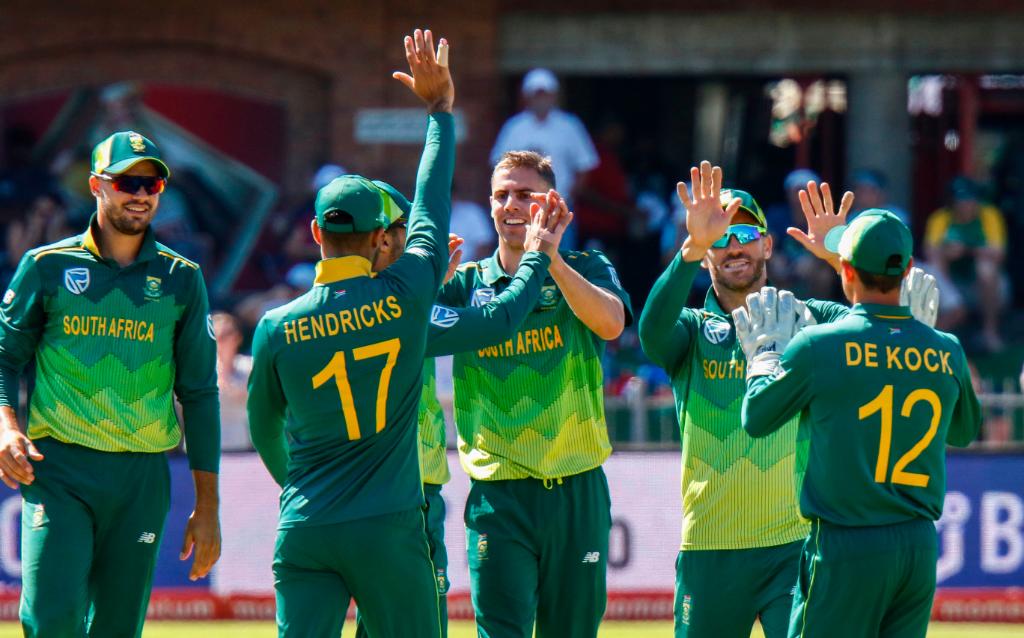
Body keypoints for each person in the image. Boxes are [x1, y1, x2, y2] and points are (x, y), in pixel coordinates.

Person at [246, 29, 454, 638]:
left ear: (315, 234)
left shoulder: (275, 326)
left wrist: (299, 486)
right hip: (388, 524)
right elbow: (430, 204)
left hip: (308, 523)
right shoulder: (408, 293)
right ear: (380, 239)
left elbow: (263, 427)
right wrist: (439, 113)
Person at [0, 130, 221, 637]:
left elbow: (199, 393)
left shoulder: (182, 278)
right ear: (97, 185)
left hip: (141, 478)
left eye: (152, 184)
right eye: (127, 182)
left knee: (118, 628)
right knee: (52, 619)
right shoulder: (47, 267)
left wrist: (207, 505)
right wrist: (6, 426)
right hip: (59, 468)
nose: (141, 194)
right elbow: (4, 357)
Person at [737, 209, 981, 638]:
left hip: (845, 542)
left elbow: (756, 418)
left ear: (845, 271)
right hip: (917, 547)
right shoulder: (947, 349)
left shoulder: (818, 345)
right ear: (908, 268)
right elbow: (963, 432)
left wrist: (763, 356)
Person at [638, 162, 851, 638]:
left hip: (794, 544)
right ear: (707, 256)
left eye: (746, 233)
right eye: (720, 237)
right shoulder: (693, 330)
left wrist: (842, 261)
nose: (734, 246)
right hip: (710, 550)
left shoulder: (806, 319)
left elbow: (876, 331)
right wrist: (690, 248)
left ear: (767, 244)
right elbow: (651, 333)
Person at [353, 178, 570, 638]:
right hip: (406, 493)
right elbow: (497, 321)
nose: (419, 246)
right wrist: (537, 258)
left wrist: (430, 285)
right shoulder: (404, 310)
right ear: (382, 240)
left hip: (365, 492)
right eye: (408, 233)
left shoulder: (337, 306)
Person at [438, 150, 632, 638]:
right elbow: (406, 331)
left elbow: (611, 324)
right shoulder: (466, 283)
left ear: (552, 204)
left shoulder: (587, 266)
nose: (511, 205)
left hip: (576, 487)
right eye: (501, 195)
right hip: (499, 493)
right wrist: (428, 285)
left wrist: (551, 259)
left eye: (525, 195)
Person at [490, 68, 599, 248]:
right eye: (536, 94)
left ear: (554, 96)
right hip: (521, 209)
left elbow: (585, 166)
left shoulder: (569, 126)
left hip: (559, 210)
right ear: (527, 97)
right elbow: (498, 165)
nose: (541, 99)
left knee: (561, 258)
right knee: (520, 256)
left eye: (545, 94)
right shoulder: (514, 127)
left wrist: (566, 199)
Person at [924, 176, 1008, 351]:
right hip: (953, 286)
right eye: (961, 201)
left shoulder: (989, 214)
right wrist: (946, 252)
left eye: (970, 200)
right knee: (934, 266)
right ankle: (942, 329)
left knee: (986, 268)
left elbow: (999, 254)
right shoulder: (940, 218)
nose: (965, 205)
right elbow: (929, 253)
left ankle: (990, 332)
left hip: (988, 289)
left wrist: (966, 250)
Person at [212, 311, 252, 451]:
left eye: (226, 334)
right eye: (216, 335)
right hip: (205, 447)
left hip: (240, 446)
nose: (221, 339)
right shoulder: (198, 370)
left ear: (238, 337)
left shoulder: (249, 366)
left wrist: (226, 374)